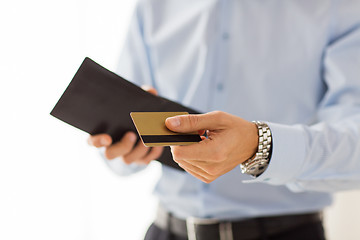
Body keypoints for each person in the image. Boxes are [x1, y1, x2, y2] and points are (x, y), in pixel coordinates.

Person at [88, 0, 360, 239]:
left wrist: (260, 146)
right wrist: (127, 146)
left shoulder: (338, 7)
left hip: (284, 232)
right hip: (165, 229)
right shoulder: (153, 5)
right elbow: (122, 144)